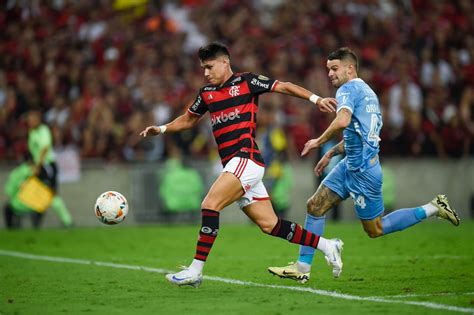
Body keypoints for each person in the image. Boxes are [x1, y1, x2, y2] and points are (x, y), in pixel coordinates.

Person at [140, 42, 342, 287]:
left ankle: (195, 270)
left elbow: (284, 86)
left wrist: (316, 98)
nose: (205, 72)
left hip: (245, 159)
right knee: (270, 225)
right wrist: (161, 129)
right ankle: (328, 245)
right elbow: (188, 119)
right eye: (203, 68)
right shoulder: (206, 93)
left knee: (209, 204)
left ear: (225, 61)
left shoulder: (247, 82)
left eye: (209, 66)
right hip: (236, 165)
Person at [268, 47, 460, 284]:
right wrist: (330, 153)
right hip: (350, 164)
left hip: (364, 173)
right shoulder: (369, 93)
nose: (330, 74)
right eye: (328, 69)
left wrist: (319, 141)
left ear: (350, 68)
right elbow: (358, 134)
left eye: (334, 69)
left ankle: (434, 206)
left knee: (375, 229)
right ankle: (302, 267)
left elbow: (343, 120)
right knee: (315, 206)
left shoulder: (348, 90)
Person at [25, 109, 73, 227]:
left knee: (51, 194)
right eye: (29, 120)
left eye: (32, 119)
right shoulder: (32, 132)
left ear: (38, 120)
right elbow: (33, 152)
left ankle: (67, 221)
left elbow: (44, 148)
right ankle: (36, 223)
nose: (30, 122)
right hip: (39, 166)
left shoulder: (43, 130)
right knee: (38, 193)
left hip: (47, 165)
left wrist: (38, 166)